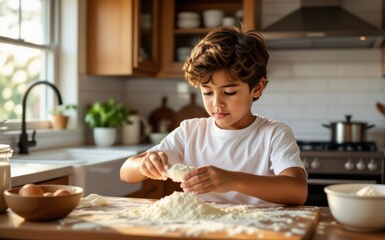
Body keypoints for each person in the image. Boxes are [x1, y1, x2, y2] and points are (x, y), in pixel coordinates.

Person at [120, 26, 307, 205]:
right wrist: (144, 165)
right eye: (207, 92)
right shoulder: (191, 132)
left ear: (256, 88)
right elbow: (126, 173)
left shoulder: (274, 134)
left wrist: (233, 180)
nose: (217, 103)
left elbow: (298, 191)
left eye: (230, 92)